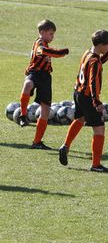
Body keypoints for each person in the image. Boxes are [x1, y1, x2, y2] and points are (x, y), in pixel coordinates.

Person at [58, 30, 108, 173]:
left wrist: (106, 56)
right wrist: (96, 101)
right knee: (99, 129)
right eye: (107, 46)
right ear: (101, 45)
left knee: (80, 118)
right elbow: (93, 81)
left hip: (78, 92)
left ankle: (66, 145)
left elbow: (93, 67)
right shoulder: (95, 61)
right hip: (88, 97)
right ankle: (96, 165)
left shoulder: (87, 53)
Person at [18, 19, 69, 149]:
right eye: (51, 34)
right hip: (35, 73)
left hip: (46, 78)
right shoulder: (39, 44)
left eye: (53, 34)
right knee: (27, 85)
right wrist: (62, 52)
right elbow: (46, 52)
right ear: (42, 32)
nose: (53, 36)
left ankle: (37, 142)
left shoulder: (44, 43)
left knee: (45, 110)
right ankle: (23, 115)